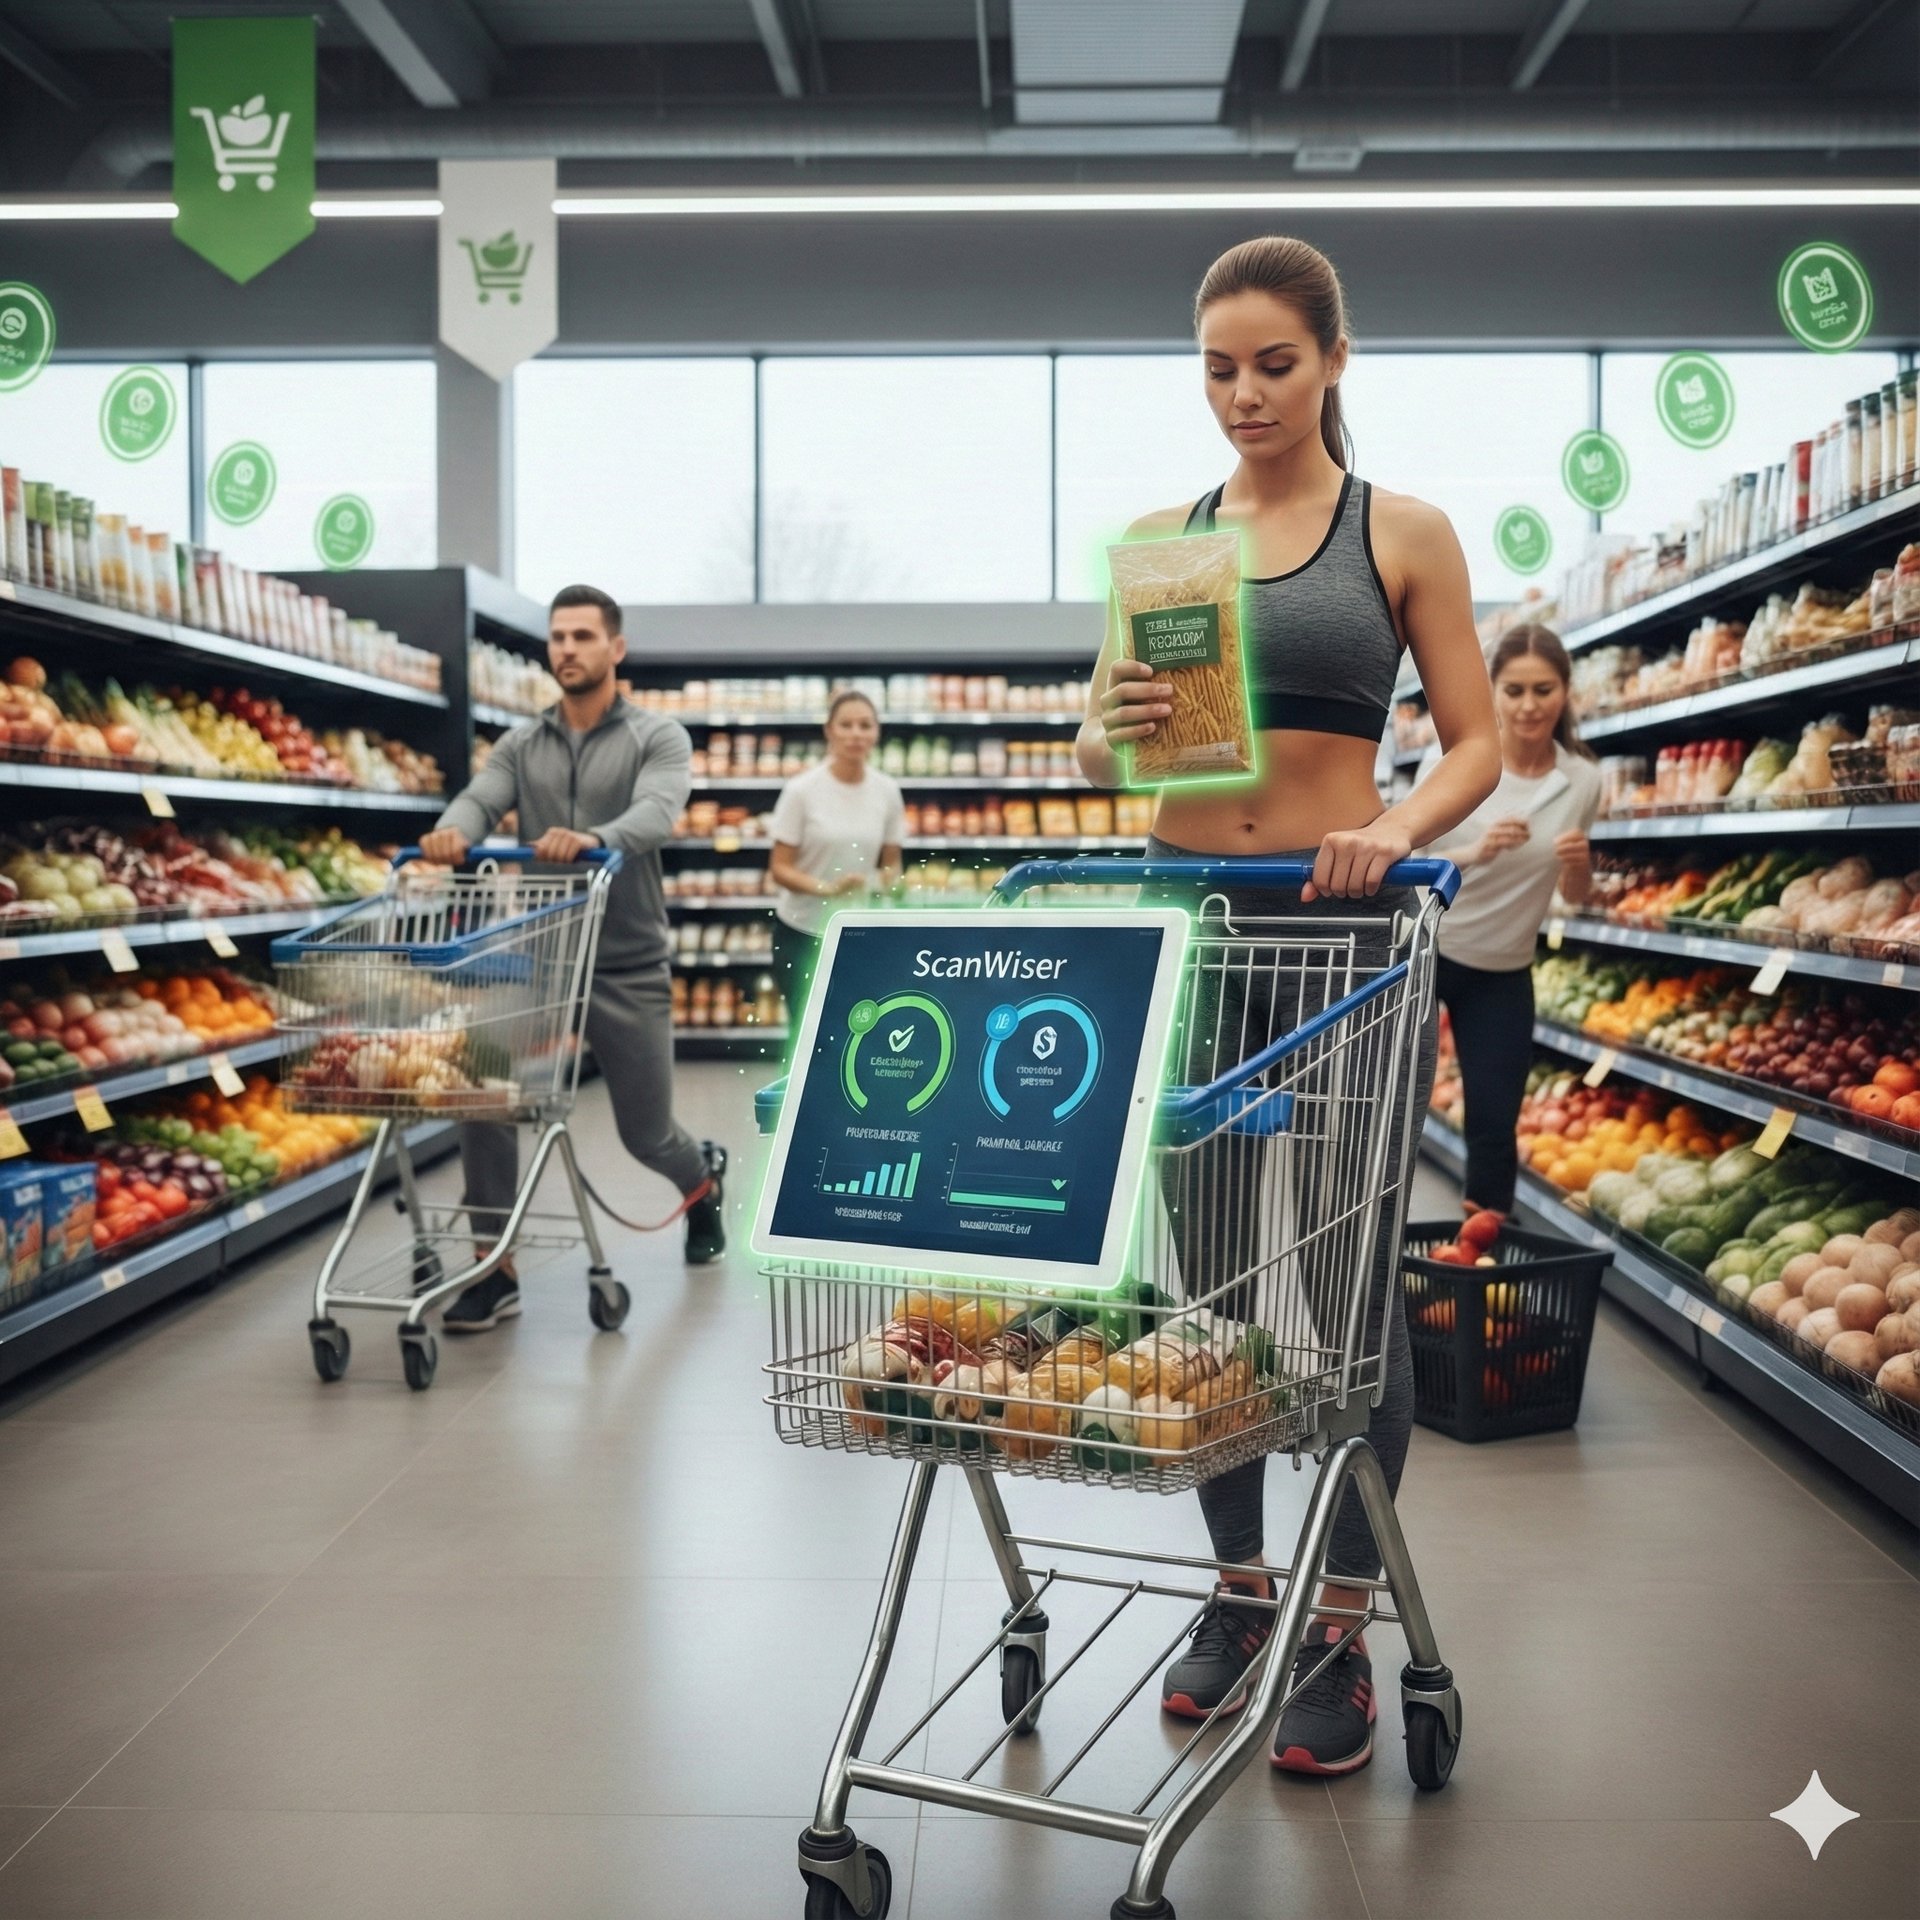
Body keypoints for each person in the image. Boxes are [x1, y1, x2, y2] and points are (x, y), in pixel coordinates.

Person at [1078, 235, 1499, 1777]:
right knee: (1209, 1285)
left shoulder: (1404, 532)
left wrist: (1397, 829)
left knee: (1344, 1278)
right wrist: (1106, 727)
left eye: (1272, 363)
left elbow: (1471, 745)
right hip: (1186, 924)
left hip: (1344, 937)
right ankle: (1240, 1588)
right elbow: (1107, 763)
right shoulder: (1164, 542)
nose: (1243, 393)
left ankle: (1342, 1613)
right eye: (1218, 367)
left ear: (1332, 361)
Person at [420, 584, 728, 1331]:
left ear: (615, 649)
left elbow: (658, 810)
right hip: (543, 962)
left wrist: (597, 838)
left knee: (646, 1133)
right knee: (482, 1085)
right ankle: (495, 1269)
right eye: (558, 637)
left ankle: (703, 1187)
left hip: (626, 963)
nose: (567, 649)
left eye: (583, 636)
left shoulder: (659, 737)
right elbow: (481, 796)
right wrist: (448, 831)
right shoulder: (523, 742)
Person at [1416, 625, 1602, 1215]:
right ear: (1491, 692)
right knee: (1392, 1109)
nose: (1528, 705)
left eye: (1543, 689)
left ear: (1566, 691)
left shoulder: (1582, 780)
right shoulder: (1455, 763)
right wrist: (1477, 851)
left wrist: (1580, 867)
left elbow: (1573, 897)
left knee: (1495, 1130)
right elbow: (1410, 860)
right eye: (1514, 690)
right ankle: (1376, 1248)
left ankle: (1480, 1268)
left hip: (1503, 971)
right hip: (1428, 956)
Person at [767, 691, 905, 1018]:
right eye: (846, 725)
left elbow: (892, 862)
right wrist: (827, 889)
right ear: (829, 731)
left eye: (865, 725)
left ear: (876, 733)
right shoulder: (801, 791)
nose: (856, 733)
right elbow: (779, 869)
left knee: (852, 1032)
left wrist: (888, 885)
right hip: (802, 931)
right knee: (804, 1035)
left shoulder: (887, 791)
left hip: (857, 932)